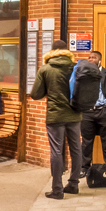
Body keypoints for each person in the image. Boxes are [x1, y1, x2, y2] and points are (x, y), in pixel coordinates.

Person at [30, 40, 82, 199]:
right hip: (74, 114)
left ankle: (57, 189)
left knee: (56, 151)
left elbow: (35, 94)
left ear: (52, 51)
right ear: (66, 51)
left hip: (55, 116)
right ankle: (73, 184)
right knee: (76, 149)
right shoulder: (76, 67)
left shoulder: (46, 69)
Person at [74, 50, 106, 177]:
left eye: (93, 58)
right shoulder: (83, 75)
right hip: (87, 113)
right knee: (86, 142)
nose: (90, 60)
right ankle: (84, 167)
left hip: (104, 111)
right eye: (89, 58)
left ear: (100, 60)